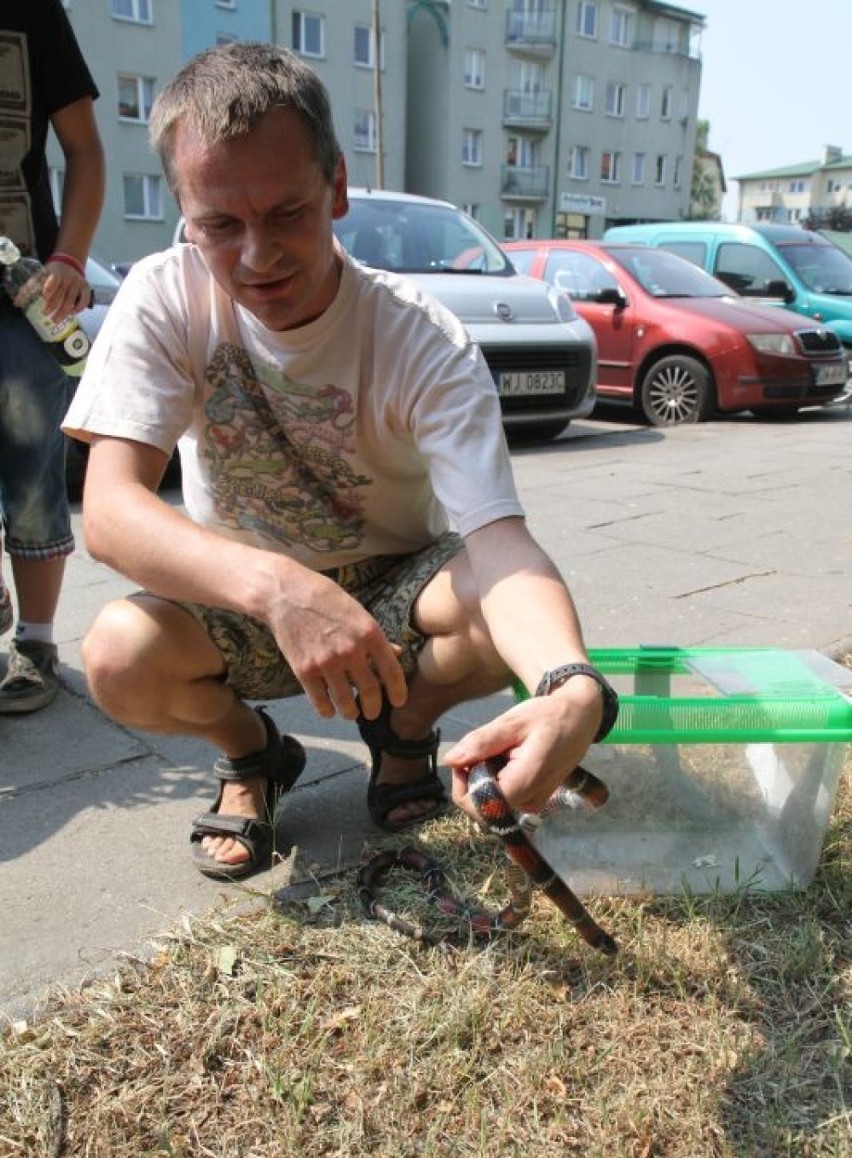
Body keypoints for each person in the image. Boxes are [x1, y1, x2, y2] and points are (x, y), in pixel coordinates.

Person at [64, 43, 618, 881]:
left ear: (337, 188)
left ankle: (402, 731)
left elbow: (501, 544)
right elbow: (108, 510)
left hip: (397, 583)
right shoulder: (164, 294)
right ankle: (255, 752)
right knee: (115, 653)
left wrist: (573, 685)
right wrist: (278, 587)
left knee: (488, 607)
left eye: (287, 213)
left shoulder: (420, 336)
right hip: (242, 592)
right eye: (219, 225)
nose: (256, 257)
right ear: (184, 212)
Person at [0, 0, 105, 714]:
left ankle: (36, 645)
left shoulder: (30, 8)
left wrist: (69, 257)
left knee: (32, 470)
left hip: (23, 295)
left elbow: (87, 150)